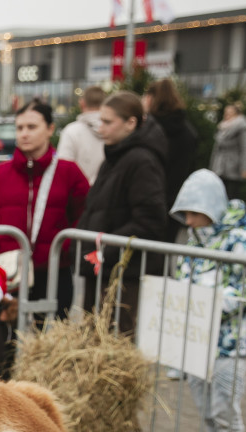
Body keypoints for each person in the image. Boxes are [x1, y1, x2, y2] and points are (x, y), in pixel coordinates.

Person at [170, 169, 246, 432]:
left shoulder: (240, 240)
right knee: (207, 408)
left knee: (226, 409)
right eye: (187, 214)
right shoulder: (196, 240)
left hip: (228, 343)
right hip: (199, 340)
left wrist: (222, 301)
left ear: (212, 207)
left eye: (196, 213)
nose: (191, 221)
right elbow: (181, 277)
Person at [0, 98, 90, 319]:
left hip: (54, 272)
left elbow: (84, 218)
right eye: (20, 128)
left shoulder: (69, 173)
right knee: (7, 340)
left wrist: (63, 249)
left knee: (51, 340)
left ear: (50, 129)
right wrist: (0, 244)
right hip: (9, 272)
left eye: (32, 127)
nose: (24, 133)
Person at [78, 90, 169, 335]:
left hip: (124, 273)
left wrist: (106, 248)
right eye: (100, 120)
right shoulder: (115, 156)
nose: (101, 127)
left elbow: (150, 220)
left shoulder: (141, 161)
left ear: (131, 123)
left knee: (117, 338)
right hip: (105, 267)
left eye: (108, 122)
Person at [143, 79, 198, 242]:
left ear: (152, 98)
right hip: (175, 200)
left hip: (148, 200)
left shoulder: (149, 129)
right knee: (165, 251)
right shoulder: (188, 131)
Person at [56, 85, 106, 184]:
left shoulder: (71, 131)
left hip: (78, 195)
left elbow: (63, 169)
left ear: (82, 104)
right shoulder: (114, 131)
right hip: (107, 195)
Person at [210, 103, 246, 200]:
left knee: (232, 198)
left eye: (230, 113)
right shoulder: (222, 128)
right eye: (225, 113)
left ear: (237, 115)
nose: (226, 115)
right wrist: (213, 167)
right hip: (220, 168)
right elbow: (216, 150)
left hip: (234, 167)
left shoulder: (242, 127)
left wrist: (245, 168)